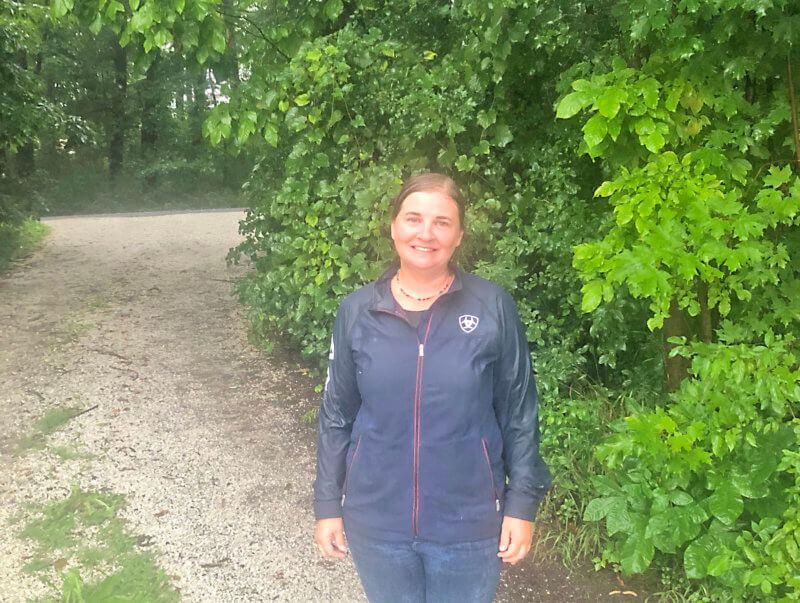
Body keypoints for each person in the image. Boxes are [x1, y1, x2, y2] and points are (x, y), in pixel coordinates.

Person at [313, 173, 552, 602]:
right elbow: (337, 415)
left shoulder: (493, 307)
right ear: (393, 227)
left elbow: (519, 412)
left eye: (442, 222)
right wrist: (328, 505)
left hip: (470, 526)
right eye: (413, 219)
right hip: (377, 523)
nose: (426, 233)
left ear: (459, 236)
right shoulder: (356, 311)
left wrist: (521, 506)